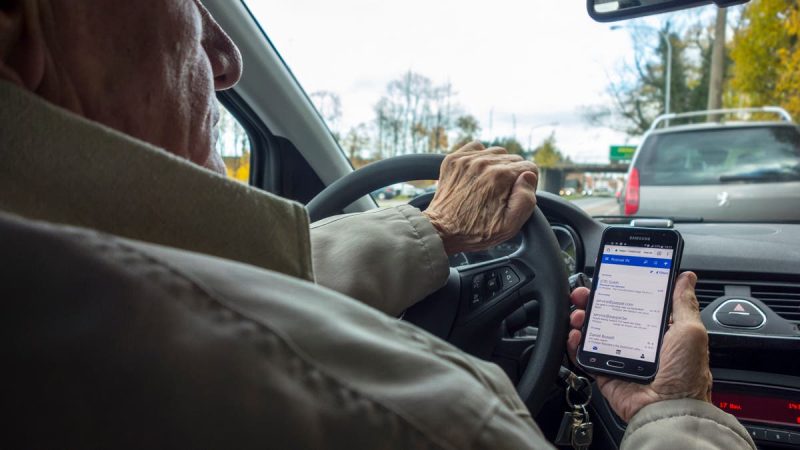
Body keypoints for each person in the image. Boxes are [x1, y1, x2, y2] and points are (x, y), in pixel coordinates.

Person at [0, 1, 754, 448]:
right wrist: (672, 412)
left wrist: (433, 232)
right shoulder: (422, 413)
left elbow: (226, 277)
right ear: (16, 24)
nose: (224, 56)